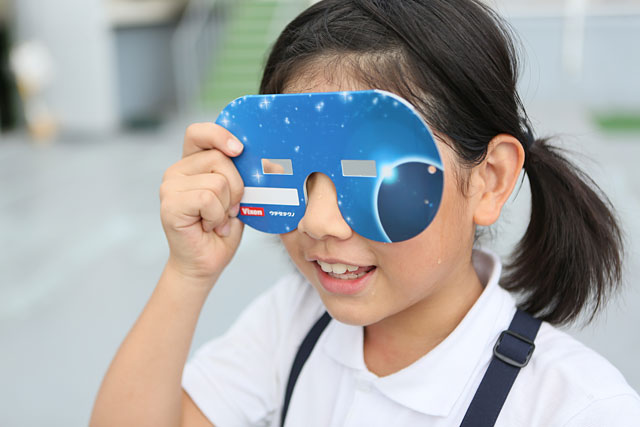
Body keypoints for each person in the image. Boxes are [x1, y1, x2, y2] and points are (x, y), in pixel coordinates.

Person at [90, 0, 640, 426]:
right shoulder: (293, 322)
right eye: (293, 170)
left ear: (490, 180)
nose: (319, 222)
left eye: (370, 174)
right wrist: (187, 273)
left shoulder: (577, 409)